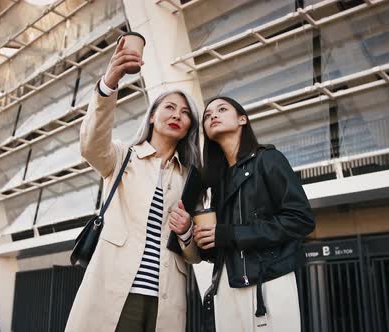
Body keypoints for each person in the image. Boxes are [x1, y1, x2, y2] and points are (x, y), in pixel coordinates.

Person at [65, 37, 202, 332]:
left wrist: (187, 231)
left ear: (190, 127)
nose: (177, 115)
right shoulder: (123, 157)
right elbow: (91, 146)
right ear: (152, 116)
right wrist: (109, 83)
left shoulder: (190, 179)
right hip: (117, 293)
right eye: (169, 107)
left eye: (185, 112)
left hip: (165, 302)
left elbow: (194, 255)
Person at [193, 96, 315, 331]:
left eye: (221, 109)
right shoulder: (216, 181)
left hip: (268, 282)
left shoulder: (268, 159)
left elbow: (301, 219)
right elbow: (223, 241)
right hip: (226, 286)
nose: (213, 116)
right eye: (207, 116)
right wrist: (203, 240)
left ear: (242, 119)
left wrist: (230, 234)